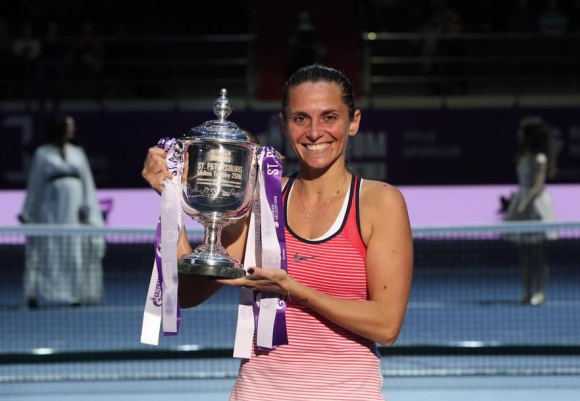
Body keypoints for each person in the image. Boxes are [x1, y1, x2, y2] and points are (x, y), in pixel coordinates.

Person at [142, 64, 413, 400]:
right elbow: (189, 294)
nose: (315, 132)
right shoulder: (260, 199)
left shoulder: (380, 202)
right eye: (301, 118)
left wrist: (295, 290)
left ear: (353, 122)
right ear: (285, 125)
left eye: (329, 117)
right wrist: (170, 198)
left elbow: (386, 326)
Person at [20, 115, 105, 308]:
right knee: (46, 253)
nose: (72, 130)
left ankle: (74, 295)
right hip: (49, 213)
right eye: (69, 126)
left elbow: (87, 184)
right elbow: (35, 184)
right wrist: (28, 212)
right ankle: (36, 294)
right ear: (60, 128)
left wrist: (89, 210)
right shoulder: (42, 154)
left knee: (74, 253)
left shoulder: (78, 153)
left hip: (73, 214)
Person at [504, 117, 557, 306]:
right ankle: (527, 292)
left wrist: (524, 203)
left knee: (539, 253)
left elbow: (538, 185)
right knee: (525, 253)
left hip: (536, 207)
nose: (519, 134)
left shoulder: (540, 158)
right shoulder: (523, 155)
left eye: (522, 131)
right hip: (522, 203)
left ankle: (540, 292)